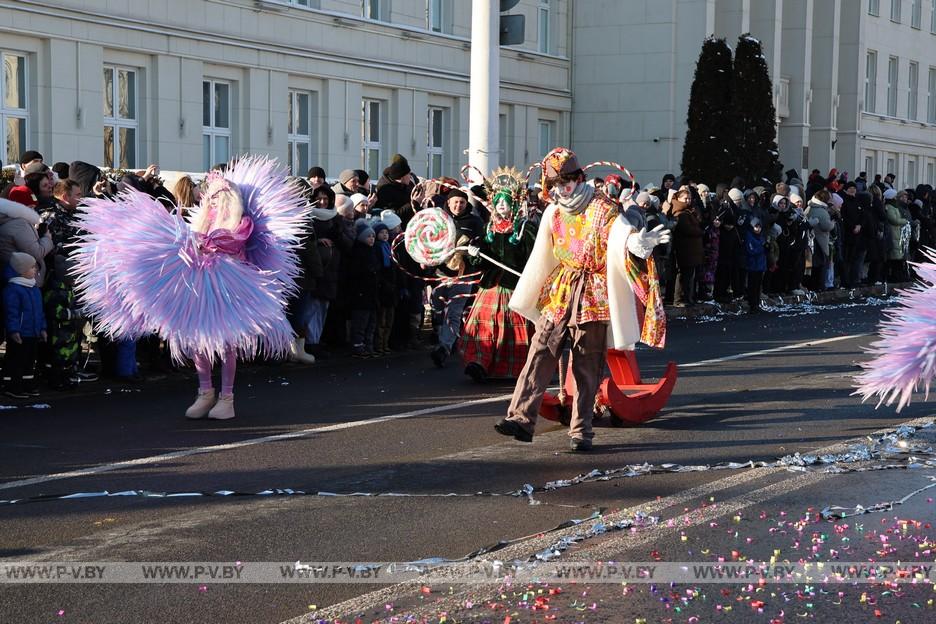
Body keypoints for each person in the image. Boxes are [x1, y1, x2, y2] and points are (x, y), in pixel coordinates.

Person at [71, 157, 307, 420]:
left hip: (229, 288)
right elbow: (193, 242)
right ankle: (205, 392)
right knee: (198, 341)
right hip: (200, 284)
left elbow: (232, 242)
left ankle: (226, 397)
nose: (213, 201)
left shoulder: (242, 222)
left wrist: (202, 241)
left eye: (219, 196)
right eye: (211, 197)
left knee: (227, 344)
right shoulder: (203, 221)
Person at [494, 148, 670, 451]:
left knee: (586, 364)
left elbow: (620, 236)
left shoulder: (602, 208)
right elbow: (543, 252)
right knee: (540, 350)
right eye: (556, 185)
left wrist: (636, 244)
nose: (562, 189)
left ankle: (581, 431)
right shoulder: (554, 211)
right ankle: (521, 418)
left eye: (567, 182)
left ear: (578, 179)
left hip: (593, 293)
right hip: (562, 289)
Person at [460, 168, 538, 382]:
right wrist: (476, 254)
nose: (501, 205)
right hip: (491, 286)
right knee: (482, 325)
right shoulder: (488, 229)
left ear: (513, 203)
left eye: (505, 201)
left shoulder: (525, 228)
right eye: (498, 201)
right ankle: (479, 362)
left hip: (515, 286)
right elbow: (482, 260)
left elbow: (535, 257)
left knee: (509, 329)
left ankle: (516, 367)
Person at [429, 188, 485, 368]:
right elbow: (427, 241)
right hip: (441, 273)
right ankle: (446, 337)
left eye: (462, 202)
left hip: (464, 275)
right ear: (449, 202)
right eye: (455, 202)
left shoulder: (474, 222)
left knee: (454, 311)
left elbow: (482, 245)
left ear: (466, 203)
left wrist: (474, 252)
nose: (458, 205)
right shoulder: (440, 219)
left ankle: (443, 348)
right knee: (437, 308)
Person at [3, 253, 47, 399]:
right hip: (20, 333)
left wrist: (42, 328)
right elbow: (11, 312)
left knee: (29, 360)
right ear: (21, 269)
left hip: (33, 332)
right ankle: (12, 386)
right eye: (32, 267)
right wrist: (13, 330)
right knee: (16, 360)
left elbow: (40, 312)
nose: (35, 270)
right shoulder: (13, 289)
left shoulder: (34, 288)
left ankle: (28, 384)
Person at [348, 219, 379, 358]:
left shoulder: (373, 251)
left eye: (373, 236)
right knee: (361, 321)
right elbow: (354, 272)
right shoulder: (358, 251)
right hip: (361, 292)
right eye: (368, 236)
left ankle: (368, 344)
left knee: (371, 321)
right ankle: (358, 345)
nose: (371, 239)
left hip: (372, 292)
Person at [742, 217, 767, 313]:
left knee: (758, 285)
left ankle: (756, 303)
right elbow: (751, 251)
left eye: (759, 227)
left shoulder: (761, 236)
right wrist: (762, 249)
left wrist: (767, 249)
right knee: (752, 286)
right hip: (752, 265)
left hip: (760, 265)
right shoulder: (749, 237)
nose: (758, 229)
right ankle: (752, 305)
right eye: (756, 227)